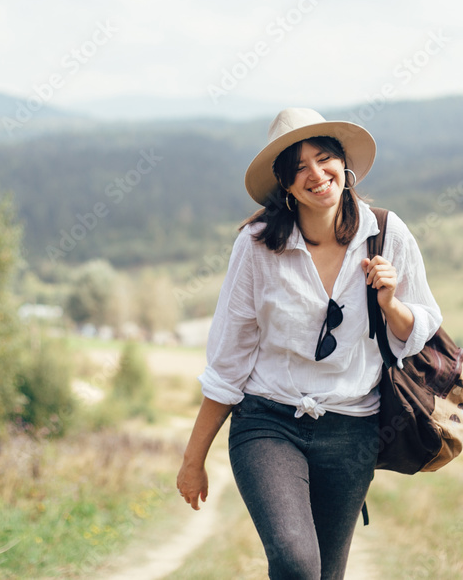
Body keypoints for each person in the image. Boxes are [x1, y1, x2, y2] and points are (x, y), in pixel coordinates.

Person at [176, 107, 442, 579]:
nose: (316, 175)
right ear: (284, 184)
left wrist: (390, 304)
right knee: (298, 564)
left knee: (327, 574)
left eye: (324, 159)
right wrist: (193, 460)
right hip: (268, 421)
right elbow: (228, 361)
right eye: (299, 168)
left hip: (353, 430)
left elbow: (419, 329)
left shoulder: (386, 233)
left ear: (345, 165)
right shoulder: (257, 245)